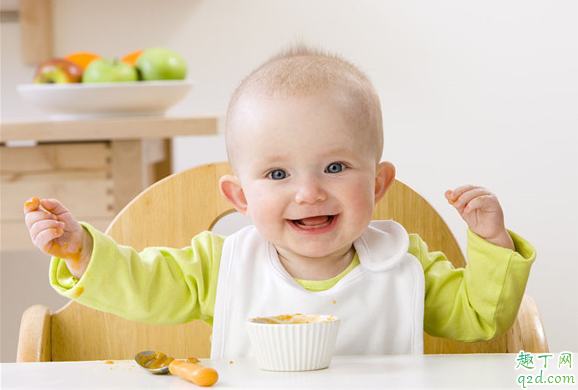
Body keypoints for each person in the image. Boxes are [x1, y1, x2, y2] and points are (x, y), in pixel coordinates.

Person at [24, 46, 535, 358]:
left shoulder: (405, 266)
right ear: (241, 198)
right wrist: (83, 253)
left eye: (335, 167)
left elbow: (480, 317)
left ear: (378, 185)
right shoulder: (221, 268)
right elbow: (143, 284)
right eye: (277, 173)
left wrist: (491, 242)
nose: (309, 192)